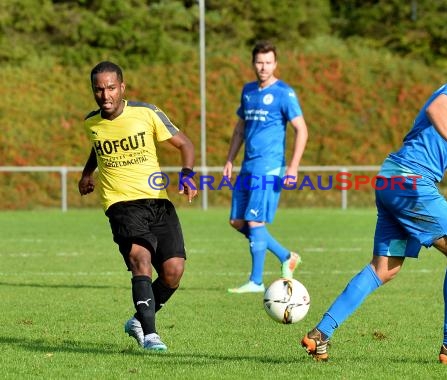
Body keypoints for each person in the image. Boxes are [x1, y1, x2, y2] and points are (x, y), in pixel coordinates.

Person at [301, 36, 447, 364]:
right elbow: (436, 109)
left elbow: (433, 144)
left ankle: (320, 334)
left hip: (392, 178)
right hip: (410, 183)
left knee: (384, 268)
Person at [78, 61, 198, 351]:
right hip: (120, 203)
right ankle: (151, 336)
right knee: (140, 259)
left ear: (122, 87)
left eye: (110, 88)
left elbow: (186, 144)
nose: (105, 95)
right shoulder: (91, 122)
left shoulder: (146, 113)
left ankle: (138, 320)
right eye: (98, 89)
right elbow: (98, 147)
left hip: (157, 202)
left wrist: (187, 175)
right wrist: (86, 174)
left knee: (173, 272)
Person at [223, 41, 309, 293]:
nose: (263, 67)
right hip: (247, 166)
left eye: (268, 62)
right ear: (253, 63)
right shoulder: (248, 91)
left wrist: (292, 168)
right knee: (237, 221)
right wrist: (230, 159)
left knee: (255, 222)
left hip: (269, 166)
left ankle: (256, 281)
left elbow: (301, 130)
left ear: (275, 64)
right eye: (259, 62)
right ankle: (285, 256)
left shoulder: (284, 93)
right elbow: (240, 129)